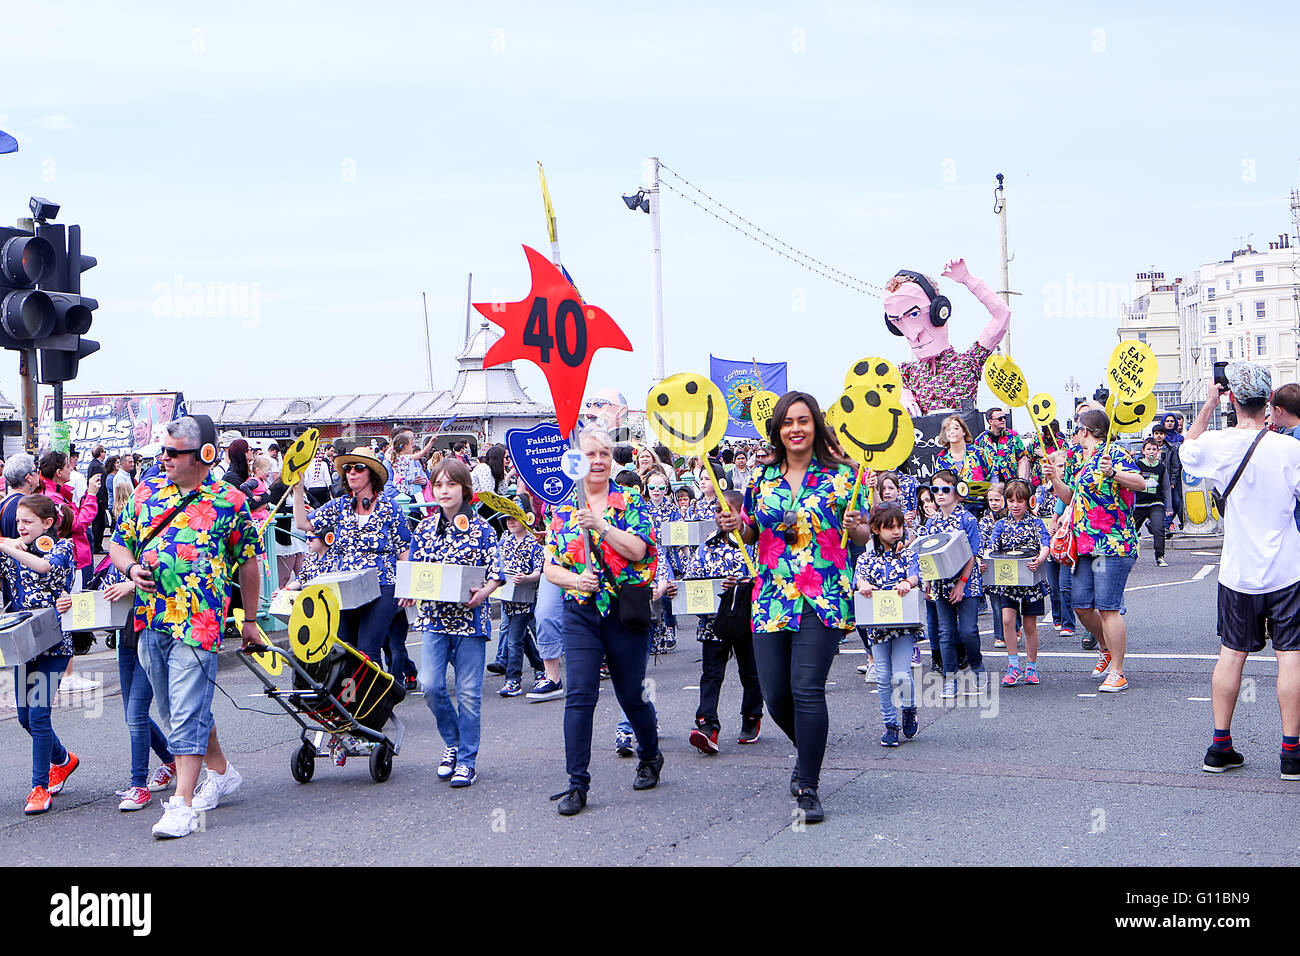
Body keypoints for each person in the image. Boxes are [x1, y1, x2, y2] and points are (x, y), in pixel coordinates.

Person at [108, 416, 265, 839]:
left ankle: (182, 804)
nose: (163, 458)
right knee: (176, 708)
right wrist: (132, 567)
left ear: (204, 455)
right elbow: (118, 543)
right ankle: (222, 772)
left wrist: (249, 620)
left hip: (200, 622)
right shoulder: (146, 492)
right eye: (163, 450)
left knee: (186, 709)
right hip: (151, 618)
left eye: (172, 452)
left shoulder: (230, 501)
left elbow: (249, 561)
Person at [719, 391, 870, 824]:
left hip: (822, 595)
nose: (796, 429)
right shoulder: (762, 477)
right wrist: (736, 525)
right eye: (788, 422)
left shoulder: (845, 475)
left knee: (807, 689)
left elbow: (859, 536)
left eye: (803, 420)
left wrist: (859, 525)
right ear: (778, 430)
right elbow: (749, 532)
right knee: (775, 695)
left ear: (815, 425)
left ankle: (808, 784)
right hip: (770, 598)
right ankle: (808, 752)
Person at [1181, 364, 1300, 778]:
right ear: (1268, 402)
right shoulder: (1289, 450)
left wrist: (1209, 403)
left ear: (1233, 399)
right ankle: (1291, 753)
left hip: (1238, 572)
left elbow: (1186, 451)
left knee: (1232, 654)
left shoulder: (1217, 443)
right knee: (1291, 657)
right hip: (1287, 569)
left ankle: (1220, 746)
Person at [544, 425, 663, 817]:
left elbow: (639, 548)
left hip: (624, 610)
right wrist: (576, 579)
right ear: (575, 460)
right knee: (579, 696)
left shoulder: (628, 499)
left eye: (604, 454)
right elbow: (549, 568)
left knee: (630, 694)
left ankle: (650, 753)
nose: (598, 461)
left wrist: (602, 527)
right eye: (590, 454)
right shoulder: (560, 505)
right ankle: (577, 784)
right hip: (580, 611)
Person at [402, 458, 503, 788]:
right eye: (439, 484)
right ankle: (453, 742)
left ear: (465, 489)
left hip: (470, 622)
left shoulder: (483, 529)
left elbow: (496, 574)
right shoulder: (424, 528)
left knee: (470, 694)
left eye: (451, 484)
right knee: (430, 686)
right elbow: (415, 571)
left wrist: (482, 593)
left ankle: (467, 759)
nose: (444, 491)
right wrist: (409, 592)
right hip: (433, 620)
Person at [58, 565, 176, 811]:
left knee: (136, 715)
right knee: (132, 715)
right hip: (126, 637)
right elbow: (97, 594)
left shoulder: (160, 541)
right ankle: (170, 760)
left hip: (155, 635)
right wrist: (73, 603)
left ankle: (138, 786)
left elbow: (175, 576)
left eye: (27, 521)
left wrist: (132, 585)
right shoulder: (121, 552)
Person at [1042, 409, 1145, 692]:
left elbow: (1140, 483)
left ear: (1085, 431)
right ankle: (1106, 648)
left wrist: (1115, 473)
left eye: (1077, 430)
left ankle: (1119, 671)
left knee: (1108, 607)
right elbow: (1071, 497)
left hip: (1114, 543)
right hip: (1085, 545)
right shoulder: (1082, 461)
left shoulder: (1116, 453)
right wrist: (1054, 478)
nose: (1074, 435)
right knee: (1081, 604)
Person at [292, 445, 414, 674]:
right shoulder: (339, 506)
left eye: (359, 468)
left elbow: (404, 549)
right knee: (346, 650)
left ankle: (374, 708)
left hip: (382, 586)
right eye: (348, 469)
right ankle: (350, 707)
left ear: (372, 474)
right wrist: (298, 490)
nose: (352, 473)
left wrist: (407, 588)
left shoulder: (390, 507)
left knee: (368, 652)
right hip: (346, 588)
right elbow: (303, 524)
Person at [2, 495, 79, 814]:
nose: (21, 527)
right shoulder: (12, 551)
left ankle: (38, 787)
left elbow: (46, 567)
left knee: (38, 713)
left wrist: (7, 546)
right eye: (18, 522)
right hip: (22, 642)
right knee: (23, 716)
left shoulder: (62, 548)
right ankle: (63, 759)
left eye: (27, 522)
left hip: (56, 644)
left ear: (48, 523)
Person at [677, 490, 762, 754]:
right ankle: (707, 725)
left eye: (729, 512)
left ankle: (751, 716)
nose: (722, 517)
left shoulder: (754, 543)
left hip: (746, 620)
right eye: (717, 511)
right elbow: (692, 576)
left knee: (750, 673)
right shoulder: (708, 544)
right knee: (711, 674)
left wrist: (742, 585)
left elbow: (766, 578)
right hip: (713, 622)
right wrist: (678, 590)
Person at [855, 503, 923, 746]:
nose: (896, 531)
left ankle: (908, 708)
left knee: (903, 673)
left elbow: (916, 574)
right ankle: (890, 724)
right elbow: (859, 579)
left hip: (904, 625)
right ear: (875, 529)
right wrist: (863, 585)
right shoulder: (865, 558)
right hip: (878, 626)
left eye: (900, 526)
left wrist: (908, 582)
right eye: (890, 527)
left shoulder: (908, 554)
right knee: (883, 676)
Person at [923, 468, 987, 699]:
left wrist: (961, 584)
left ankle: (977, 664)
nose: (939, 494)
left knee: (968, 630)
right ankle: (950, 678)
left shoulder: (967, 519)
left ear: (957, 493)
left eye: (944, 489)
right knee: (945, 633)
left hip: (966, 583)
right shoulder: (932, 522)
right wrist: (928, 581)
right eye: (934, 490)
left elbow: (971, 555)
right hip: (940, 584)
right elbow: (927, 554)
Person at [988, 479, 1050, 686]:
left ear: (1028, 502)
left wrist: (1040, 559)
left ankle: (1031, 666)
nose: (1015, 505)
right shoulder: (1000, 525)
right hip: (1008, 580)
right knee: (1007, 620)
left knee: (1030, 624)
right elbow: (990, 549)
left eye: (1020, 501)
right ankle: (1013, 665)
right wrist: (984, 562)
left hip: (1031, 581)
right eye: (1011, 500)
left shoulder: (1036, 522)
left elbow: (1045, 544)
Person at [495, 500, 545, 698]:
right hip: (507, 596)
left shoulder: (533, 542)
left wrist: (526, 578)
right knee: (521, 637)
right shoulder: (504, 539)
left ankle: (513, 679)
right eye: (507, 518)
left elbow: (539, 571)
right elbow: (497, 561)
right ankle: (540, 667)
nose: (510, 522)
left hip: (525, 596)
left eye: (514, 517)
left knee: (514, 638)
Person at [935, 416, 991, 517]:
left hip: (981, 506)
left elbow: (993, 474)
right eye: (948, 429)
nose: (952, 431)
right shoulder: (941, 459)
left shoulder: (979, 453)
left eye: (956, 428)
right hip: (955, 509)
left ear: (964, 431)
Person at [1135, 437, 1172, 567]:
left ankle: (1160, 556)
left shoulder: (1161, 468)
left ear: (1158, 451)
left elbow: (1166, 488)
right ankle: (1128, 555)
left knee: (1158, 528)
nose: (1151, 452)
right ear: (1143, 451)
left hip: (1156, 502)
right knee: (1131, 530)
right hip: (1139, 504)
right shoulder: (1137, 465)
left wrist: (1169, 507)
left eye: (1154, 449)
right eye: (1149, 449)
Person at [975, 407, 1029, 483]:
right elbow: (977, 464)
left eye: (1004, 417)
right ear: (990, 421)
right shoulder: (980, 440)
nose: (1003, 420)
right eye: (1000, 418)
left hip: (1011, 481)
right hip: (991, 484)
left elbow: (1022, 458)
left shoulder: (1013, 436)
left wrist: (1022, 480)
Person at [87, 445, 108, 552]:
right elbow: (98, 482)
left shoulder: (95, 465)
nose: (105, 454)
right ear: (100, 453)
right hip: (98, 499)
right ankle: (97, 545)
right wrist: (99, 498)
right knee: (99, 523)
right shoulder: (97, 466)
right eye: (104, 451)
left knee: (100, 523)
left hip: (98, 498)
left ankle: (97, 545)